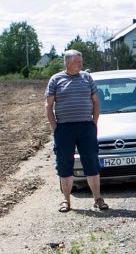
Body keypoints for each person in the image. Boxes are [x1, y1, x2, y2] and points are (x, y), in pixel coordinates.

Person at [45, 49, 106, 212]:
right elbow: (48, 105)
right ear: (67, 62)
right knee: (65, 164)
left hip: (86, 127)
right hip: (64, 129)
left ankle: (98, 198)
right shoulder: (56, 79)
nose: (81, 64)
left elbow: (96, 101)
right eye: (78, 61)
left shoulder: (87, 78)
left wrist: (94, 122)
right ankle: (66, 201)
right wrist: (55, 126)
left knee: (91, 162)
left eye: (81, 61)